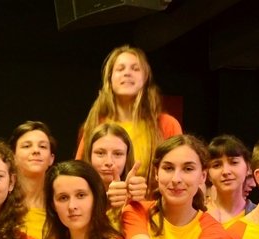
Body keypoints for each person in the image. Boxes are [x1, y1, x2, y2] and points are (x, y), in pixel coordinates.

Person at [76, 44, 181, 181]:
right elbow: (79, 174)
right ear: (109, 79)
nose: (127, 73)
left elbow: (179, 172)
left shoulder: (166, 124)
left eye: (135, 69)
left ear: (145, 78)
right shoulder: (95, 123)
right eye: (120, 69)